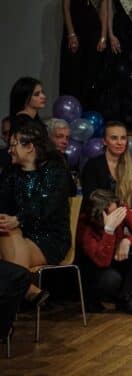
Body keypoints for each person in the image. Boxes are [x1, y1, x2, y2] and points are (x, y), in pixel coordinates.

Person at [0, 119, 72, 307]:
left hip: (49, 237)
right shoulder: (11, 171)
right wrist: (8, 219)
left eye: (13, 145)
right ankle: (29, 290)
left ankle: (20, 296)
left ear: (29, 147)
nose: (9, 150)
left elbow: (46, 207)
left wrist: (19, 219)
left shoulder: (55, 170)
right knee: (6, 230)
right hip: (17, 234)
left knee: (7, 233)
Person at [76, 188, 132, 315]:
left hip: (117, 259)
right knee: (111, 279)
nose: (116, 217)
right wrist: (109, 230)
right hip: (96, 269)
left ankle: (125, 297)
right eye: (112, 215)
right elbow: (102, 261)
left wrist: (128, 241)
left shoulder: (119, 210)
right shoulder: (85, 225)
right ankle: (93, 299)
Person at [61, 0, 105, 110]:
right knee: (74, 73)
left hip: (94, 33)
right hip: (76, 31)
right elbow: (65, 8)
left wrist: (103, 37)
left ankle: (88, 110)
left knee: (91, 73)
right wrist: (71, 34)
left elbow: (103, 13)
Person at [80, 121, 132, 214]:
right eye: (114, 138)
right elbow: (90, 198)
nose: (119, 142)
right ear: (104, 141)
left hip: (128, 216)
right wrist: (108, 206)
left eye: (123, 138)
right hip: (103, 218)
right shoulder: (93, 165)